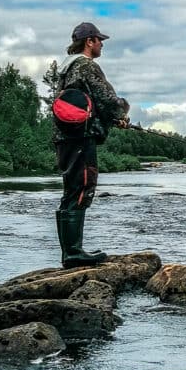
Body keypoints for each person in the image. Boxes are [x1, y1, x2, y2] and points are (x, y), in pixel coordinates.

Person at [53, 21, 130, 268]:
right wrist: (121, 113)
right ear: (89, 41)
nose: (101, 45)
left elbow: (81, 104)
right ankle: (73, 253)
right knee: (82, 188)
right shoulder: (86, 66)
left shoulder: (66, 69)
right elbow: (107, 100)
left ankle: (70, 252)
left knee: (71, 191)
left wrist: (109, 117)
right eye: (99, 41)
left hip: (64, 138)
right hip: (80, 138)